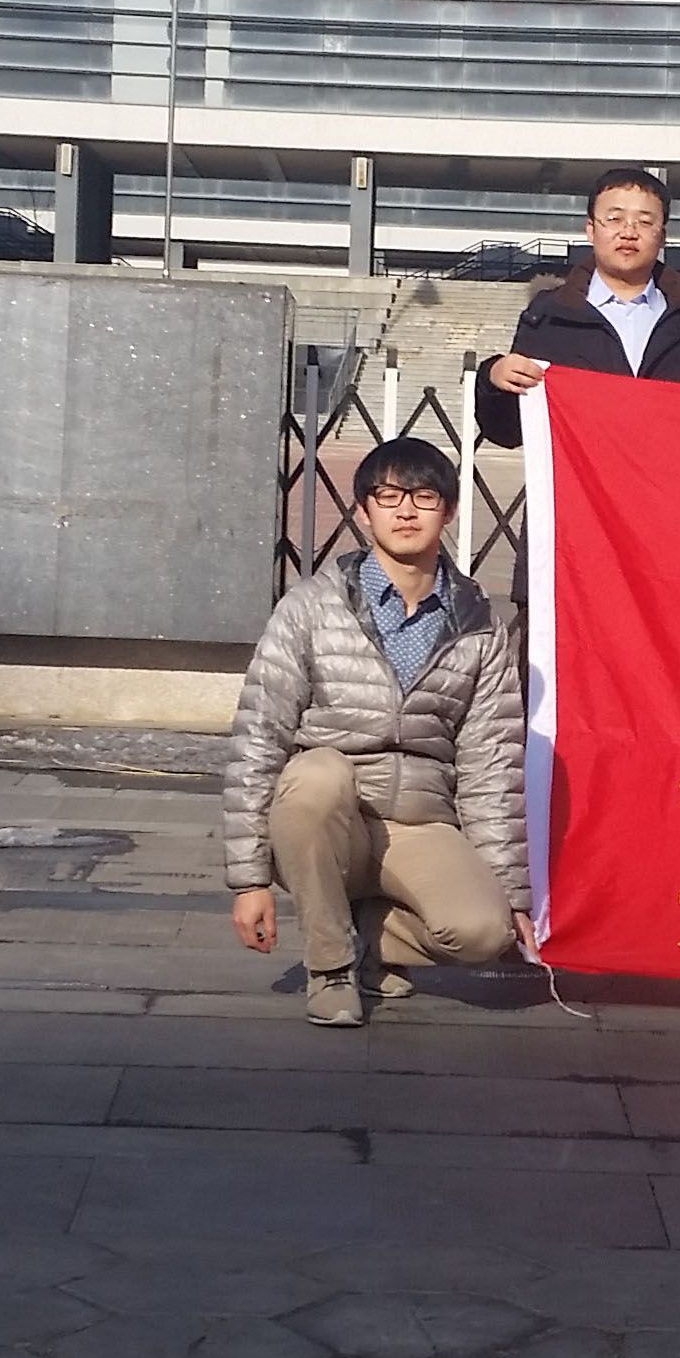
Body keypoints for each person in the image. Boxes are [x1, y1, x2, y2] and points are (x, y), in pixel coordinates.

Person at [223, 439, 527, 1029]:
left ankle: (370, 934)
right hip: (323, 820)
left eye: (424, 496)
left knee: (485, 934)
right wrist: (249, 880)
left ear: (449, 510)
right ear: (364, 512)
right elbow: (258, 739)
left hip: (418, 820)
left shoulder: (478, 622)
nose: (405, 510)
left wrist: (510, 892)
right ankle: (331, 967)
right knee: (317, 774)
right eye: (388, 497)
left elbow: (492, 763)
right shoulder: (311, 608)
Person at [475, 167, 680, 445]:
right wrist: (493, 379)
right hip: (580, 475)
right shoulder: (549, 316)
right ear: (591, 230)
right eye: (614, 219)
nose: (628, 232)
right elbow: (508, 432)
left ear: (662, 236)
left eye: (644, 222)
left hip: (669, 472)